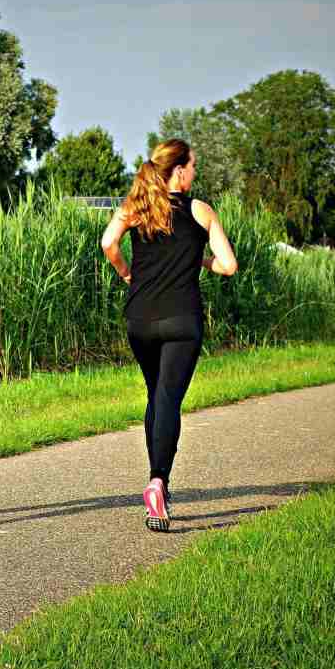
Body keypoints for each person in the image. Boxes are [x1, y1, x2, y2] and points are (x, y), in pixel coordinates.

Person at [99, 139, 238, 531]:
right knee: (168, 400)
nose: (195, 173)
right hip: (182, 321)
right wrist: (201, 259)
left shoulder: (138, 206)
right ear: (179, 170)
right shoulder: (200, 211)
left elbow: (108, 243)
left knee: (155, 395)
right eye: (193, 166)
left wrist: (127, 274)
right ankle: (158, 482)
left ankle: (156, 483)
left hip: (140, 318)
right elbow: (228, 266)